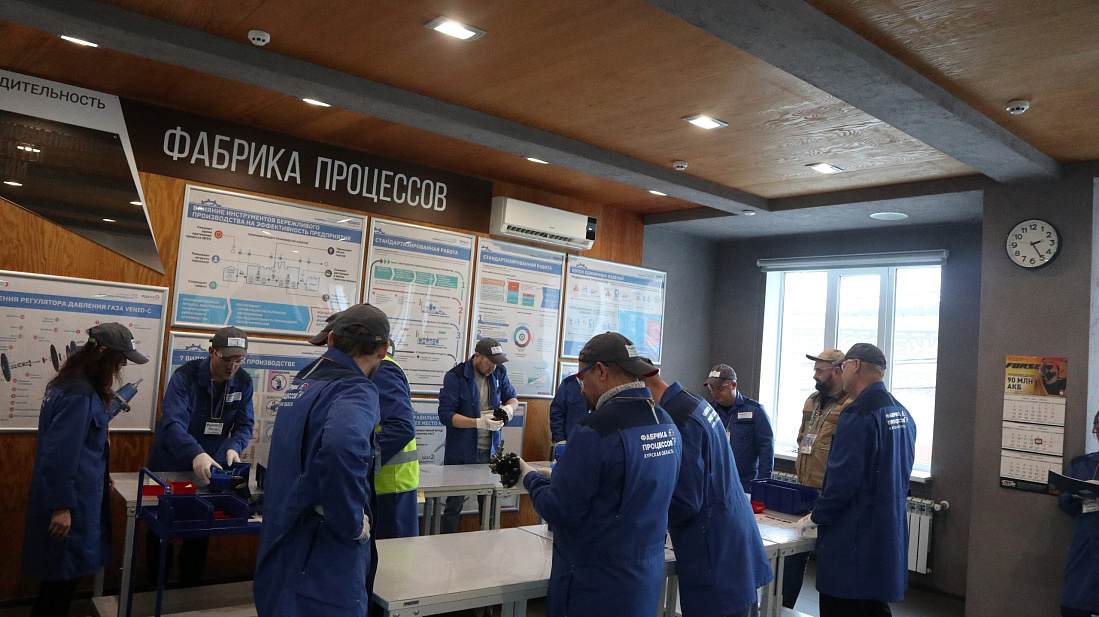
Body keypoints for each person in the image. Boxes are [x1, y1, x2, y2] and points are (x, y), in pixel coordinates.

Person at [515, 332, 681, 617]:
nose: (581, 390)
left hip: (595, 585)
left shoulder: (595, 429)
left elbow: (559, 509)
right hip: (643, 581)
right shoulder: (666, 423)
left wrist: (529, 477)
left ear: (602, 371)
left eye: (582, 378)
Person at [254, 304, 390, 617]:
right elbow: (341, 448)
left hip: (283, 544)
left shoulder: (303, 381)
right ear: (383, 349)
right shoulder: (355, 389)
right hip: (322, 560)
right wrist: (351, 522)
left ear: (330, 339)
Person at [22, 323, 149, 617]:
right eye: (120, 359)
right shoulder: (79, 394)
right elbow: (60, 454)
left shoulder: (69, 384)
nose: (121, 366)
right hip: (70, 504)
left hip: (76, 496)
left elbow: (83, 444)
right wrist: (61, 507)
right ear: (102, 354)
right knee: (58, 586)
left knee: (60, 582)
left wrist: (103, 474)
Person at [642, 362, 772, 617]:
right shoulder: (696, 404)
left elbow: (687, 500)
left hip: (714, 549)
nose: (715, 392)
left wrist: (645, 515)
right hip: (730, 536)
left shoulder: (678, 418)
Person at [796, 343, 916, 617]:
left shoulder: (857, 413)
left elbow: (842, 481)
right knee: (873, 606)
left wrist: (817, 516)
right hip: (886, 530)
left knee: (844, 606)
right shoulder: (901, 412)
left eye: (844, 366)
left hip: (852, 535)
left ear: (856, 365)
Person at [145, 326, 254, 585]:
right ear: (211, 352)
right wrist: (195, 453)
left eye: (239, 360)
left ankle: (189, 589)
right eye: (227, 359)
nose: (232, 367)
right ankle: (153, 588)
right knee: (160, 531)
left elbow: (244, 425)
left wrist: (234, 446)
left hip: (210, 468)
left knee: (199, 529)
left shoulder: (243, 381)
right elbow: (172, 423)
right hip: (171, 463)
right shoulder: (185, 377)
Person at [783, 348, 853, 609]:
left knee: (831, 560)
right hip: (805, 490)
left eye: (820, 370)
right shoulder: (812, 401)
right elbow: (803, 437)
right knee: (793, 556)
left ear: (837, 371)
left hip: (830, 492)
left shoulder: (850, 404)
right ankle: (783, 607)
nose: (815, 375)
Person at [437, 337, 518, 533]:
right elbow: (446, 415)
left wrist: (508, 409)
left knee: (490, 504)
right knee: (454, 504)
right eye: (489, 363)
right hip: (462, 451)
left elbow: (512, 398)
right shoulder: (455, 376)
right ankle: (448, 544)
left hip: (491, 451)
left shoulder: (499, 372)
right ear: (478, 356)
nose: (492, 368)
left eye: (496, 364)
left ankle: (489, 545)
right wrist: (478, 423)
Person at [1057, 410, 1099, 617]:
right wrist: (1077, 493)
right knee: (1074, 607)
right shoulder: (1082, 465)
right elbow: (1066, 504)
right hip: (1085, 549)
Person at [705, 363, 774, 487]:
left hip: (745, 483)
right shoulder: (707, 411)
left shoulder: (755, 411)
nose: (715, 392)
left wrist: (763, 485)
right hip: (715, 482)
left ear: (733, 385)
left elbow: (766, 449)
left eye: (719, 387)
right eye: (712, 387)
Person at [549, 372, 587, 444]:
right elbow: (557, 413)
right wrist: (560, 439)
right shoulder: (568, 383)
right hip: (570, 441)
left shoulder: (601, 384)